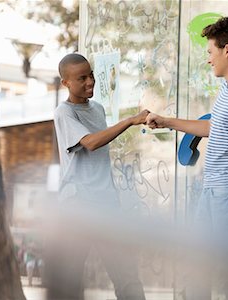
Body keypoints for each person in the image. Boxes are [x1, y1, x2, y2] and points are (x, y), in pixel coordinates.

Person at [146, 16, 228, 300]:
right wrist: (167, 121)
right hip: (211, 188)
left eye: (210, 51)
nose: (209, 59)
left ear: (227, 50)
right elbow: (212, 128)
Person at [46, 53, 148, 300]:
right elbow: (90, 143)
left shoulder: (98, 109)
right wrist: (130, 121)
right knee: (70, 280)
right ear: (66, 83)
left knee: (127, 276)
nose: (90, 81)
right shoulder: (64, 113)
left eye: (90, 75)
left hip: (106, 205)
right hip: (77, 205)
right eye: (82, 78)